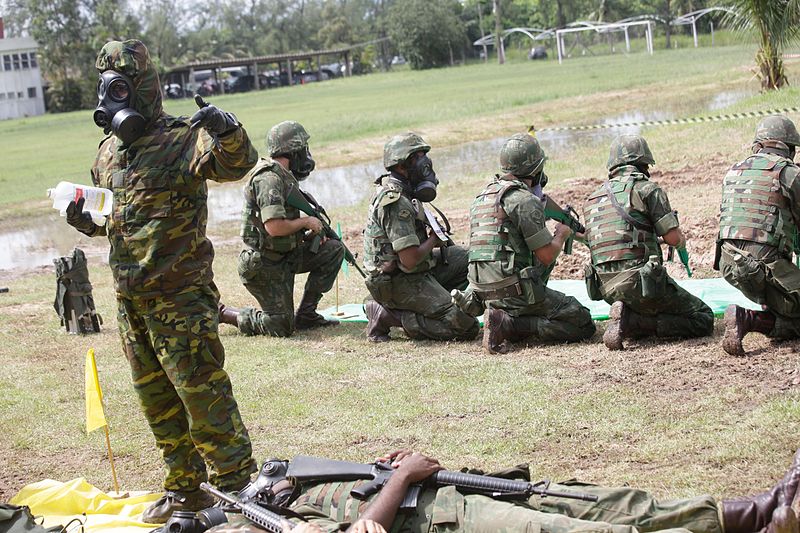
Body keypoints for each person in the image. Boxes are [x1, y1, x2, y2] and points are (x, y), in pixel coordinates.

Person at [63, 39, 256, 523]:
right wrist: (82, 218)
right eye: (108, 82)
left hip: (181, 299)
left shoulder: (183, 138)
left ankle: (241, 492)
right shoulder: (109, 152)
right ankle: (186, 491)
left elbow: (238, 163)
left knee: (203, 396)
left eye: (123, 82)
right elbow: (112, 217)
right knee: (158, 402)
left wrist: (225, 128)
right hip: (131, 302)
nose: (114, 92)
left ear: (144, 84)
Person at [207, 448, 800, 533]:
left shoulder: (261, 497)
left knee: (594, 499)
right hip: (440, 524)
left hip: (438, 492)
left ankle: (753, 513)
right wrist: (404, 480)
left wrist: (383, 468)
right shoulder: (259, 525)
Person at [454, 133, 595, 353]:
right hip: (512, 291)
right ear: (535, 169)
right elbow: (546, 255)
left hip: (482, 290)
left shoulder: (483, 197)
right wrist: (561, 235)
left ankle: (504, 316)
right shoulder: (525, 200)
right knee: (582, 322)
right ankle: (509, 325)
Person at [583, 134, 714, 351]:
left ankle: (628, 317)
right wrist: (680, 241)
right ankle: (634, 322)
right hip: (643, 287)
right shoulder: (647, 189)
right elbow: (673, 238)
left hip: (605, 288)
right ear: (644, 164)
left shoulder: (593, 198)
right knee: (703, 317)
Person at [218, 121, 345, 336]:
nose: (306, 154)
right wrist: (306, 222)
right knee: (281, 327)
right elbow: (274, 227)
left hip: (286, 255)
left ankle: (307, 314)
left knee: (333, 249)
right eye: (303, 148)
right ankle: (223, 312)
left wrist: (309, 234)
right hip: (264, 264)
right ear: (292, 151)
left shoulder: (283, 175)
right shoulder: (269, 179)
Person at [362, 133, 479, 342]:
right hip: (396, 280)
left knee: (469, 259)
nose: (425, 162)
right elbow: (409, 260)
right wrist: (434, 239)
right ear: (401, 165)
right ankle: (387, 315)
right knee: (466, 326)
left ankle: (435, 305)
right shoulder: (396, 202)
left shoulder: (405, 191)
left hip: (411, 270)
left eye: (424, 155)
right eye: (417, 157)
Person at [716, 115, 800, 356]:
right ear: (788, 148)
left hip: (729, 265)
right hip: (764, 268)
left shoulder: (733, 171)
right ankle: (750, 320)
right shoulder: (789, 173)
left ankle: (765, 309)